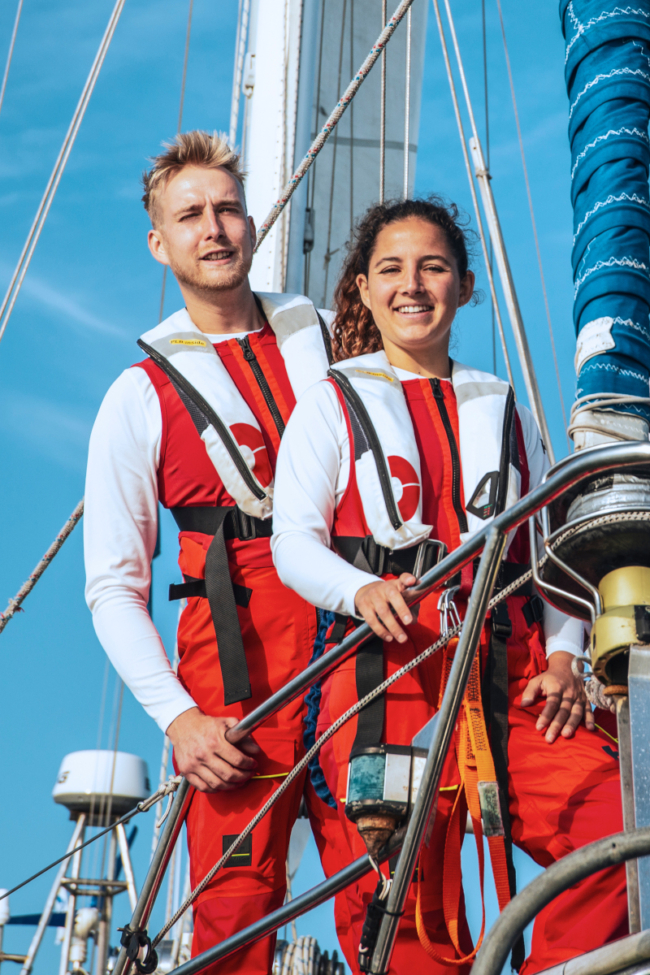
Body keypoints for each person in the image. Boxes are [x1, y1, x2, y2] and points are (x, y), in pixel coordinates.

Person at [271, 197, 627, 974]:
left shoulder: (503, 408)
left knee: (621, 818)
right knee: (401, 909)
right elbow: (292, 542)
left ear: (464, 286)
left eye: (433, 267)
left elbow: (551, 555)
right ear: (362, 289)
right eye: (392, 269)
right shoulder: (333, 400)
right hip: (383, 677)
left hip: (505, 676)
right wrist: (357, 589)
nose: (413, 285)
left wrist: (566, 657)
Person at [84, 130, 353, 974]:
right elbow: (112, 584)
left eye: (229, 208)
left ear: (251, 221)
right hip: (231, 681)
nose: (215, 228)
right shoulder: (139, 393)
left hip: (358, 649)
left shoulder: (325, 337)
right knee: (233, 922)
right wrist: (178, 717)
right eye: (191, 214)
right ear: (160, 242)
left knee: (395, 889)